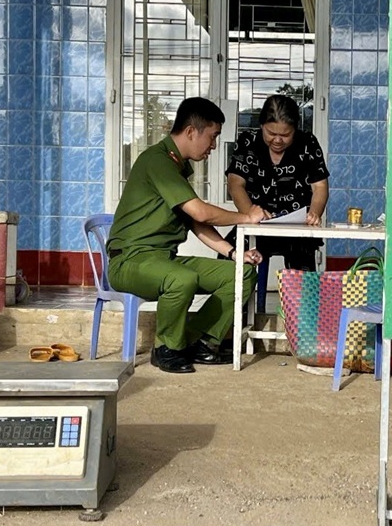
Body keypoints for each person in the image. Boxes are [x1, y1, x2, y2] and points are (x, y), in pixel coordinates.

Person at [107, 97, 270, 374]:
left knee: (242, 274)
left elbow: (196, 222)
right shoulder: (157, 161)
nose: (214, 146)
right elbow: (201, 212)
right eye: (213, 136)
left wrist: (234, 254)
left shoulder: (178, 167)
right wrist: (246, 216)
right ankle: (166, 348)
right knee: (181, 278)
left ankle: (200, 343)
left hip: (163, 260)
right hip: (130, 262)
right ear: (192, 131)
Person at [224, 94, 330, 271]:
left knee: (303, 277)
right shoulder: (247, 142)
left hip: (297, 228)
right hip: (256, 224)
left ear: (295, 129)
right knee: (228, 257)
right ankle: (237, 298)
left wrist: (314, 214)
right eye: (271, 133)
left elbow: (320, 186)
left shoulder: (308, 143)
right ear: (261, 126)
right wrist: (249, 214)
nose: (278, 140)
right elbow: (235, 184)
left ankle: (300, 299)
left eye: (285, 134)